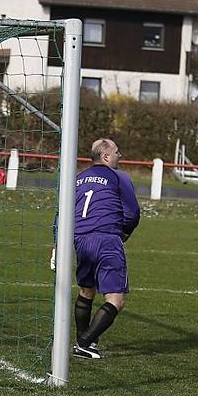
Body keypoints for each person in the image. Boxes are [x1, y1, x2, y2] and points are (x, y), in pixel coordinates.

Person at [70, 138, 140, 359]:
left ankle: (84, 342)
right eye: (117, 152)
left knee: (86, 290)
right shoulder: (119, 177)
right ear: (106, 156)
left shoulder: (78, 178)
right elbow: (133, 213)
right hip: (106, 238)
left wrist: (57, 241)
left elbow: (63, 211)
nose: (121, 155)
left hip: (80, 238)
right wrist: (124, 233)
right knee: (116, 300)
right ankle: (84, 343)